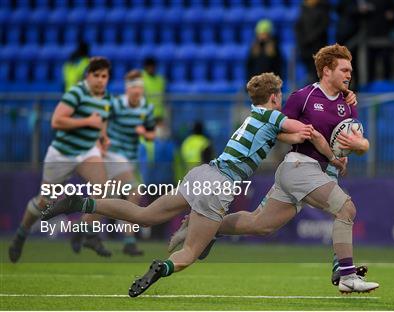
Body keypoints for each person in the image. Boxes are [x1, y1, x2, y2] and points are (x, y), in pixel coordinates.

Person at [42, 72, 343, 297]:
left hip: (202, 175)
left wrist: (302, 133)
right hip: (221, 184)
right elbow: (306, 131)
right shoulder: (274, 115)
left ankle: (80, 203)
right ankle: (163, 267)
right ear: (275, 97)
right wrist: (333, 151)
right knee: (189, 254)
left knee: (145, 215)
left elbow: (291, 136)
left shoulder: (255, 117)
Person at [169, 44, 379, 294]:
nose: (349, 74)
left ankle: (203, 225)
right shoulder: (303, 97)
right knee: (346, 208)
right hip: (300, 167)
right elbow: (277, 130)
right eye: (344, 69)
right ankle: (346, 273)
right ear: (326, 70)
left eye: (350, 70)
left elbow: (358, 142)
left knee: (261, 224)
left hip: (321, 173)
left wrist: (359, 146)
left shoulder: (348, 103)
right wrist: (322, 147)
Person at [8, 57, 114, 263]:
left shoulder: (107, 98)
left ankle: (86, 232)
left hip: (87, 151)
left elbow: (101, 120)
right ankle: (21, 233)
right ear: (87, 76)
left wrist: (103, 138)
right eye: (97, 76)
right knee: (44, 201)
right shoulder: (76, 93)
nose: (101, 80)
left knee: (104, 189)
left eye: (105, 76)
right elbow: (57, 121)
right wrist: (87, 121)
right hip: (63, 153)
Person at [104, 69, 156, 256]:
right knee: (135, 191)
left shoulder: (146, 108)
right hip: (113, 154)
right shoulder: (116, 105)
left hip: (130, 158)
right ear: (128, 90)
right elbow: (101, 123)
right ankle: (129, 240)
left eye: (140, 89)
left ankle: (85, 229)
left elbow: (152, 134)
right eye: (135, 90)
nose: (138, 93)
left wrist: (144, 133)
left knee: (110, 198)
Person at [295, 0, 330, 83]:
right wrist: (303, 41)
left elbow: (323, 27)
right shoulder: (303, 10)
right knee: (311, 72)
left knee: (317, 71)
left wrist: (310, 38)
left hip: (318, 46)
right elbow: (298, 28)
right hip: (305, 47)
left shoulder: (323, 9)